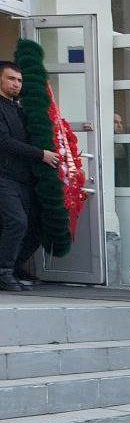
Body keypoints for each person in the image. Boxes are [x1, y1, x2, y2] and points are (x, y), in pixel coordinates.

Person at [0, 60, 60, 292]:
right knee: (17, 222)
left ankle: (13, 267)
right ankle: (4, 272)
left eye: (19, 80)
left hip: (24, 179)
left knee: (39, 223)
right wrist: (40, 155)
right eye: (10, 79)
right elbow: (3, 141)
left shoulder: (20, 109)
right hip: (4, 177)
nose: (16, 84)